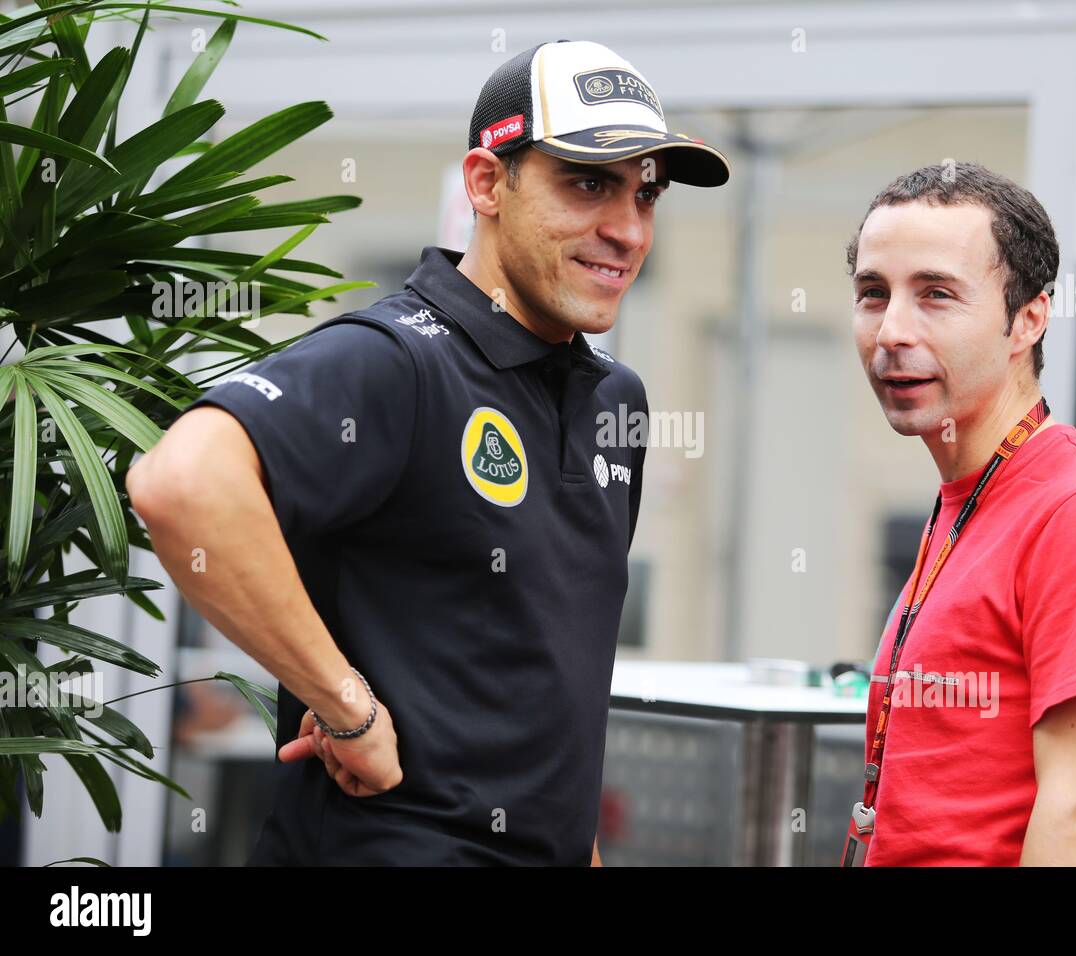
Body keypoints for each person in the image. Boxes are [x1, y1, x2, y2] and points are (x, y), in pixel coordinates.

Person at [127, 39, 729, 865]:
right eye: (587, 183)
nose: (625, 229)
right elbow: (181, 483)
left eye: (645, 194)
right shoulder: (398, 358)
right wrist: (347, 705)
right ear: (486, 183)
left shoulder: (614, 398)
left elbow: (555, 677)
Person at [840, 162, 1076, 866]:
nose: (892, 331)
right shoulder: (970, 495)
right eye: (874, 294)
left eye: (936, 294)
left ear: (1027, 320)